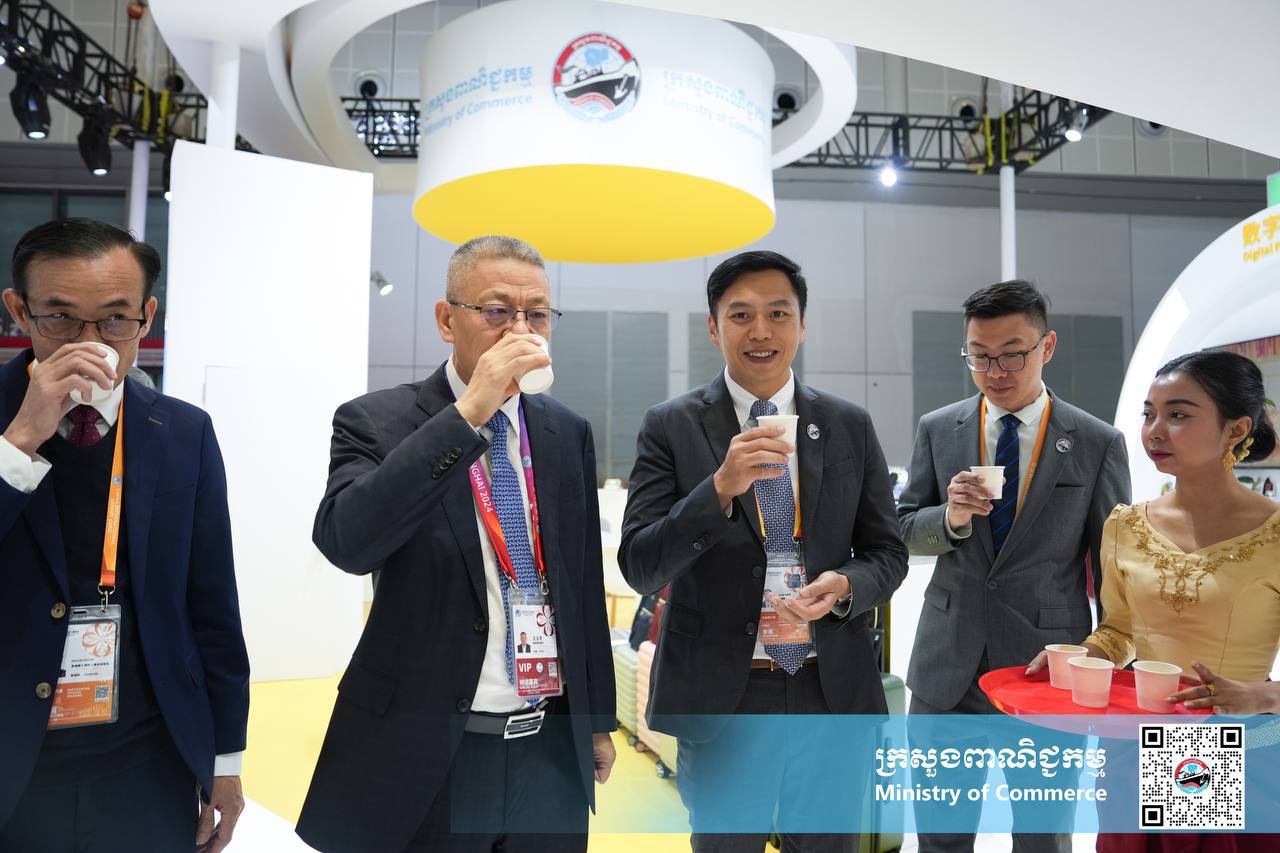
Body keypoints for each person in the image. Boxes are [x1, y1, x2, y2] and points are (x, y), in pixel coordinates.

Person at [296, 236, 616, 853]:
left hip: (548, 749)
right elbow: (347, 543)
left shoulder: (565, 430)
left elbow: (579, 583)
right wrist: (467, 414)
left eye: (537, 314)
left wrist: (596, 719)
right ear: (447, 320)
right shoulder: (377, 421)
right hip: (426, 747)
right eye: (497, 311)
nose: (520, 329)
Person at [620, 250, 908, 851]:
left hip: (828, 688)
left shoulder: (848, 424)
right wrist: (718, 490)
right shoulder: (671, 425)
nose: (760, 331)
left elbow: (887, 550)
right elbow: (641, 564)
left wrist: (847, 586)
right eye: (740, 314)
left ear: (802, 326)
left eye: (778, 314)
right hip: (724, 694)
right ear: (713, 327)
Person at [0, 218, 250, 853]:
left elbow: (212, 603)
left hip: (147, 760)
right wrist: (20, 439)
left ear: (147, 317)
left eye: (115, 319)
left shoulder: (184, 432)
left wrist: (224, 759)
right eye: (61, 318)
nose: (91, 344)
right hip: (13, 759)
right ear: (20, 311)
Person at [897, 279, 1131, 853]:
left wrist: (1104, 658)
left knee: (1043, 836)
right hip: (947, 668)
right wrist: (949, 518)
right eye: (979, 356)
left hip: (1046, 669)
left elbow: (1112, 570)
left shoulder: (1096, 441)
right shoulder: (938, 428)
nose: (994, 371)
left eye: (1011, 354)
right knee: (940, 836)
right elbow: (901, 530)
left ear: (1047, 346)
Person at [1026, 349, 1280, 852]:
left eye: (1178, 415)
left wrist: (1261, 697)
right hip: (1137, 745)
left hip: (1242, 745)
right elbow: (1120, 631)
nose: (1154, 431)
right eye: (1149, 415)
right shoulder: (1126, 525)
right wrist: (1083, 656)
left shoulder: (1274, 533)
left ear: (1236, 429)